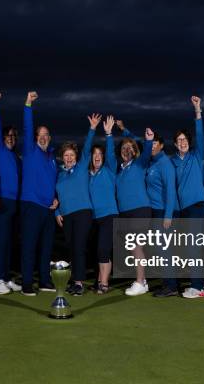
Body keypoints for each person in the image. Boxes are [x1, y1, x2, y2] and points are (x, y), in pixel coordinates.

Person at [119, 121, 176, 297]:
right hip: (151, 210)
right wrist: (124, 130)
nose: (151, 146)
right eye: (150, 144)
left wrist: (168, 215)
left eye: (155, 144)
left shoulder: (165, 163)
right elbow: (138, 143)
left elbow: (171, 190)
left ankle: (171, 286)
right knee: (155, 249)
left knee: (163, 249)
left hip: (160, 211)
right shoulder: (150, 162)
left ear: (160, 145)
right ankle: (161, 283)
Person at [19, 91, 59, 296]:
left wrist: (55, 199)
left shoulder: (52, 158)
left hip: (48, 208)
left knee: (46, 248)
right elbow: (27, 126)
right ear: (35, 138)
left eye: (46, 135)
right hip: (31, 206)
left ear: (49, 138)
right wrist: (28, 104)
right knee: (29, 246)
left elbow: (53, 182)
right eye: (40, 135)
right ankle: (27, 283)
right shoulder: (30, 150)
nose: (43, 137)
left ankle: (44, 280)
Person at [55, 114, 99, 295]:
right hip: (66, 215)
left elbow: (88, 148)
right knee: (71, 248)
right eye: (66, 155)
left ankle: (79, 283)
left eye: (71, 155)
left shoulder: (81, 167)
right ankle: (75, 281)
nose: (69, 158)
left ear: (76, 156)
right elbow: (55, 197)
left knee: (79, 246)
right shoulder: (59, 175)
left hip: (82, 213)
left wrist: (92, 128)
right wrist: (56, 212)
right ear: (62, 157)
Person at [171, 96, 204, 298]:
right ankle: (199, 284)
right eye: (179, 141)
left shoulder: (197, 155)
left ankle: (199, 287)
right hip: (183, 208)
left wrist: (197, 110)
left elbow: (201, 135)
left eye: (185, 139)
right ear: (176, 144)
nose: (182, 142)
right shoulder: (172, 161)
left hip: (197, 205)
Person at [0, 91, 23, 295]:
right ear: (1, 138)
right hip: (2, 202)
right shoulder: (0, 151)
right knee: (1, 242)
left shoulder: (16, 158)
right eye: (7, 136)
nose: (10, 139)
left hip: (15, 204)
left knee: (11, 242)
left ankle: (8, 277)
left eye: (13, 136)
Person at [116, 125, 154, 296]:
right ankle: (142, 281)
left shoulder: (139, 164)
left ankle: (140, 282)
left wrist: (148, 140)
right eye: (124, 148)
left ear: (135, 151)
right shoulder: (120, 170)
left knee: (136, 246)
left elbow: (146, 151)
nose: (127, 150)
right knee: (133, 247)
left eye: (131, 148)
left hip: (140, 209)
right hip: (125, 212)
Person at [88, 116, 119, 294]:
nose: (98, 157)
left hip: (109, 215)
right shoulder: (88, 175)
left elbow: (111, 153)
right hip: (94, 217)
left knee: (103, 248)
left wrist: (108, 133)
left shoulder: (109, 170)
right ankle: (100, 278)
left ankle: (104, 283)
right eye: (95, 155)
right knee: (99, 251)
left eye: (100, 155)